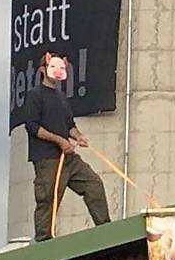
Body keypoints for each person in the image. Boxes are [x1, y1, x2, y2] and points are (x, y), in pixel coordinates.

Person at [23, 52, 110, 241]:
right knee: (48, 199)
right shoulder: (35, 95)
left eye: (61, 67)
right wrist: (60, 141)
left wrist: (78, 136)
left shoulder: (61, 96)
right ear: (43, 70)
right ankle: (44, 242)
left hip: (69, 159)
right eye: (53, 67)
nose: (58, 71)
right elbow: (33, 127)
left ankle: (105, 230)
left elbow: (69, 125)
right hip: (47, 159)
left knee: (93, 184)